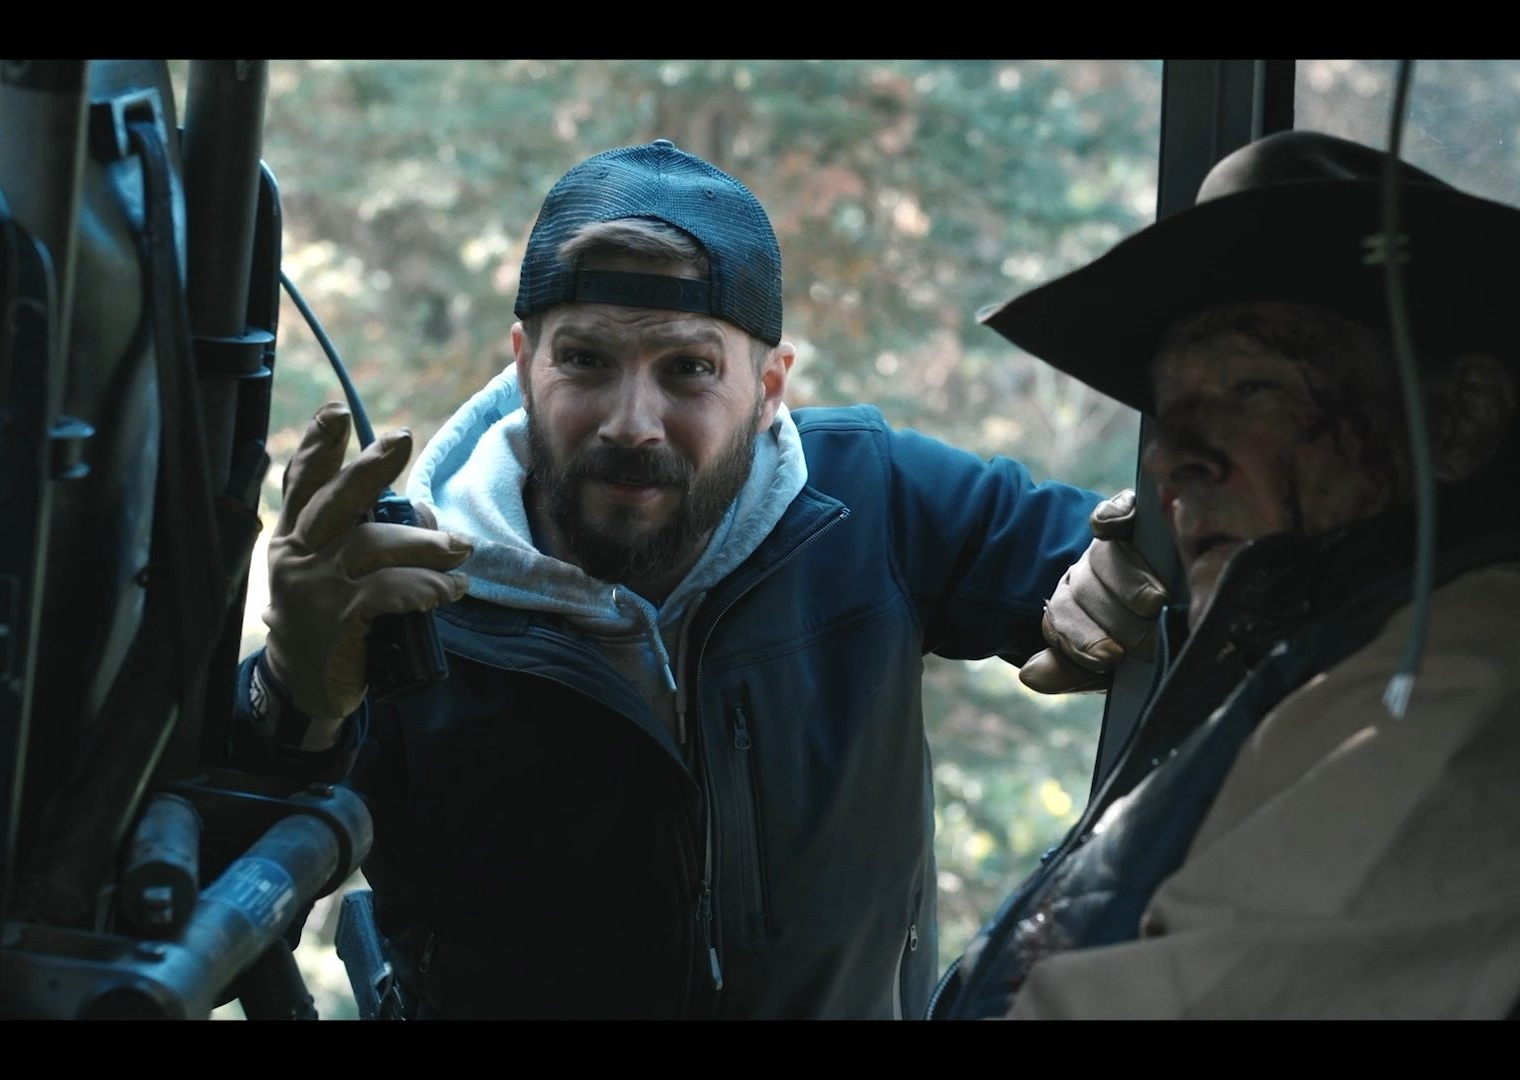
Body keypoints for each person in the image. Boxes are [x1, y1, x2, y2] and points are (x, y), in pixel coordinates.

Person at [237, 140, 1153, 1018]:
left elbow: (1154, 552)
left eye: (688, 370)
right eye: (585, 360)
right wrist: (293, 698)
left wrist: (1129, 567)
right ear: (523, 364)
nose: (632, 422)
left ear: (770, 388)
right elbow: (196, 917)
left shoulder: (874, 498)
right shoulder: (402, 598)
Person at [930, 130, 1520, 1019]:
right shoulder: (1351, 649)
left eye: (1251, 389)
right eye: (1168, 412)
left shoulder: (1503, 657)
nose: (1170, 458)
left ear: (1460, 419)